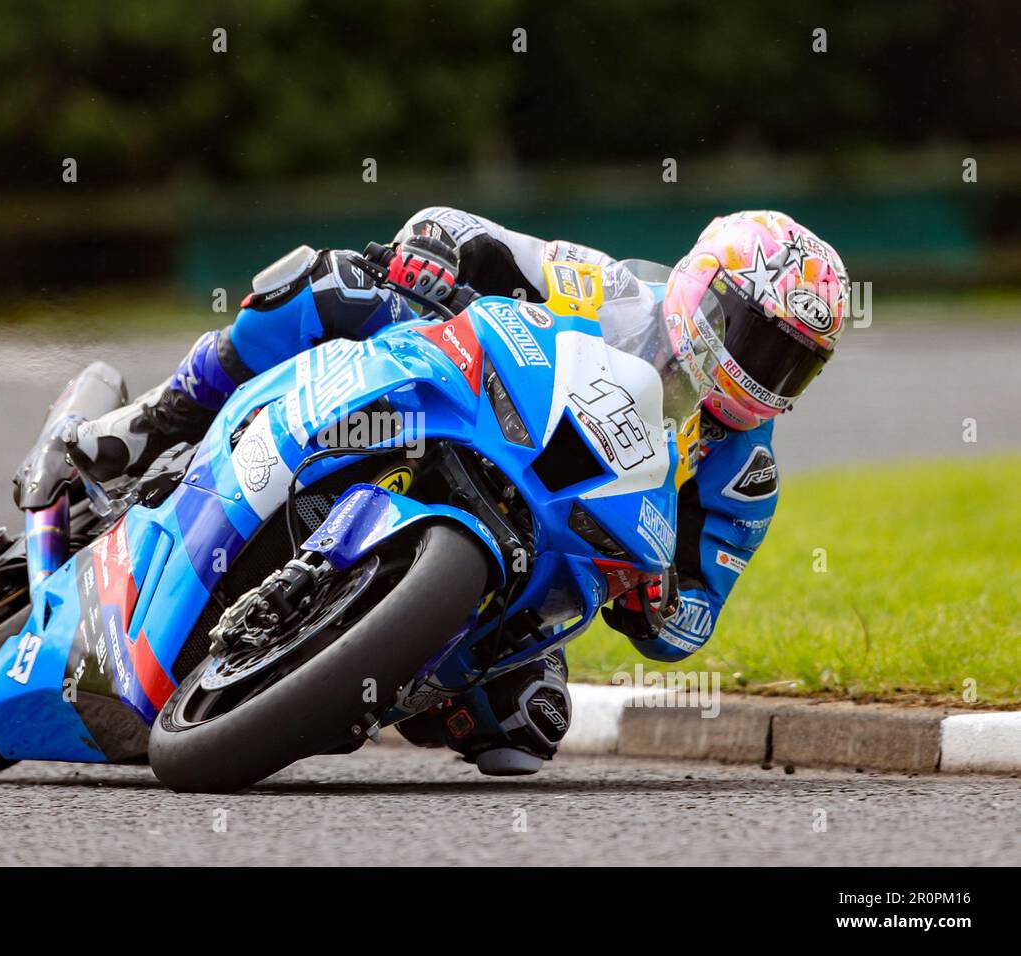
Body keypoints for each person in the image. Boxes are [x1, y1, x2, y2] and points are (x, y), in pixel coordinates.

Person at [56, 207, 850, 776]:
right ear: (702, 290)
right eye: (755, 337)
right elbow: (481, 237)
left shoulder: (744, 475)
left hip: (540, 566)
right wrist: (434, 247)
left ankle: (357, 667)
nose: (763, 372)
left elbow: (695, 619)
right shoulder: (611, 292)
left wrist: (659, 608)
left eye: (792, 362)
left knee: (525, 736)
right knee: (333, 287)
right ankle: (156, 420)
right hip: (469, 418)